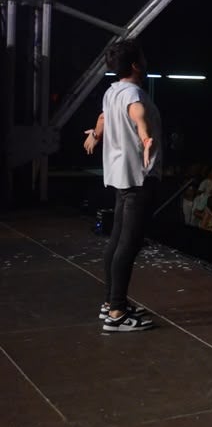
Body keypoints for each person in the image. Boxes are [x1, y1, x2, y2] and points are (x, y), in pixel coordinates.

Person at [84, 39, 160, 333]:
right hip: (137, 178)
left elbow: (104, 116)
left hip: (120, 177)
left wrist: (96, 134)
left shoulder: (112, 90)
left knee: (117, 240)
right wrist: (145, 137)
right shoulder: (133, 92)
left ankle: (110, 303)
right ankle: (117, 312)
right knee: (128, 244)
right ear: (135, 64)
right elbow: (137, 113)